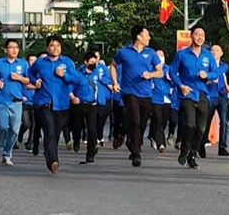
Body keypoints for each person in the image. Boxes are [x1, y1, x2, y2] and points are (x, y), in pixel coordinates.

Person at [111, 25, 162, 168]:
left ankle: (132, 141)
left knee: (142, 122)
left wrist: (150, 74)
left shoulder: (151, 53)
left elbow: (160, 72)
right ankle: (136, 153)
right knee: (135, 120)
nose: (149, 37)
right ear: (139, 36)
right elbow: (113, 66)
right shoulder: (124, 52)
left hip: (146, 93)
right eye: (147, 35)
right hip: (129, 92)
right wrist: (115, 82)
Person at [28, 35, 78, 174]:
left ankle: (48, 154)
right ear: (47, 48)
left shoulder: (67, 62)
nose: (55, 48)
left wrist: (64, 76)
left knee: (55, 134)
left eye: (57, 46)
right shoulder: (40, 62)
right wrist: (35, 81)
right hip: (45, 102)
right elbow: (30, 72)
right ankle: (53, 161)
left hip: (62, 104)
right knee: (49, 132)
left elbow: (75, 79)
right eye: (52, 45)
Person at [169, 26, 214, 170]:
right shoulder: (182, 54)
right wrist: (180, 86)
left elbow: (216, 72)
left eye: (202, 35)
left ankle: (192, 155)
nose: (200, 37)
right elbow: (172, 71)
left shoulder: (208, 55)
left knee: (201, 128)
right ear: (191, 36)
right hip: (187, 94)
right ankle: (184, 149)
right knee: (190, 124)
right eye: (197, 34)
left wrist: (207, 75)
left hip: (202, 94)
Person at [0, 39, 30, 166]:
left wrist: (19, 78)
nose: (14, 50)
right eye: (11, 47)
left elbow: (28, 80)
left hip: (17, 101)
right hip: (2, 100)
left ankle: (7, 154)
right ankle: (0, 148)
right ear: (6, 49)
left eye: (16, 47)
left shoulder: (23, 64)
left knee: (14, 131)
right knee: (2, 126)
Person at [70, 51, 101, 163]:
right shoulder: (77, 74)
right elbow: (70, 88)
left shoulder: (97, 73)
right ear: (86, 62)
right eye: (91, 62)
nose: (93, 64)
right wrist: (73, 97)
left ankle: (90, 153)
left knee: (92, 129)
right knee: (77, 127)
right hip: (79, 104)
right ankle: (76, 139)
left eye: (95, 61)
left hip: (92, 104)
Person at [201, 44, 229, 158]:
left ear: (221, 53)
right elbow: (205, 79)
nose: (214, 52)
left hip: (222, 96)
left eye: (217, 50)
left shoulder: (224, 66)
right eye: (212, 50)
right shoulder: (207, 66)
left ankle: (222, 146)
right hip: (210, 96)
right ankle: (202, 143)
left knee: (223, 122)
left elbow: (221, 75)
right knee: (207, 121)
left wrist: (227, 86)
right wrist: (209, 80)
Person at [148, 49, 172, 154]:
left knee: (164, 120)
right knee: (158, 119)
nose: (160, 58)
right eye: (158, 56)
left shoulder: (168, 69)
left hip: (167, 98)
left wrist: (170, 78)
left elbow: (174, 80)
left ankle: (152, 135)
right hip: (155, 98)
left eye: (162, 55)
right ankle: (161, 143)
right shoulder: (150, 69)